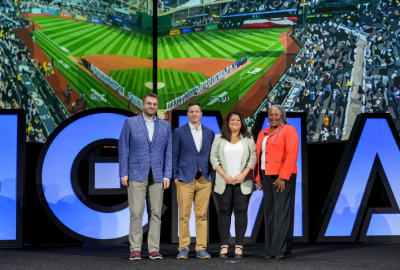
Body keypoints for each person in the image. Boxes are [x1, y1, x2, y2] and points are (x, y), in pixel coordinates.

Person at [119, 93, 172, 261]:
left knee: (156, 213)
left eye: (154, 104)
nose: (152, 106)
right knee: (136, 212)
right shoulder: (130, 122)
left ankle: (154, 249)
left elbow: (168, 152)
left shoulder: (165, 125)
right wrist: (124, 173)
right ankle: (135, 249)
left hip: (157, 174)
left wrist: (167, 175)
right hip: (135, 172)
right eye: (149, 103)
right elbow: (123, 148)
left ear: (157, 106)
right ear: (142, 105)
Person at [210, 111, 257, 259]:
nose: (235, 122)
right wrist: (223, 175)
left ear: (242, 122)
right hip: (223, 182)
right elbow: (213, 157)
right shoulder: (219, 138)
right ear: (227, 123)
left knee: (241, 213)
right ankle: (224, 246)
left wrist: (242, 175)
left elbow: (253, 157)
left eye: (238, 120)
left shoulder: (248, 138)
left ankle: (238, 246)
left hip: (243, 182)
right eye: (232, 120)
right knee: (223, 213)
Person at [254, 104, 299, 260]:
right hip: (265, 176)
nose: (273, 117)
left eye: (276, 115)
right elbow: (258, 156)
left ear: (282, 116)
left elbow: (292, 154)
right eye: (270, 115)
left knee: (282, 213)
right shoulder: (263, 133)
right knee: (270, 213)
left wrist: (283, 177)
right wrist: (257, 177)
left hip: (282, 176)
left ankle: (281, 250)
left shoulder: (289, 130)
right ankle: (270, 250)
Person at [172, 102, 215, 260]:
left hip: (204, 179)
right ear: (188, 114)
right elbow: (174, 155)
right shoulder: (179, 132)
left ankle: (201, 248)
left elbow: (212, 156)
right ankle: (183, 248)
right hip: (184, 178)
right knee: (184, 215)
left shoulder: (210, 133)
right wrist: (175, 175)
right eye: (191, 112)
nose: (194, 114)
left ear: (201, 113)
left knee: (201, 215)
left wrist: (212, 175)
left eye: (197, 111)